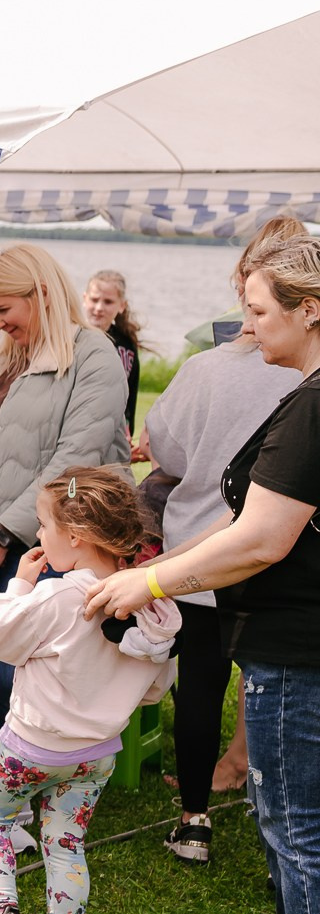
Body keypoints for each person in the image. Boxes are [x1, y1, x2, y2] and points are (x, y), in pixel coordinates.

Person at [86, 233, 320, 914]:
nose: (248, 328)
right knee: (284, 813)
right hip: (285, 633)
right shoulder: (305, 392)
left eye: (258, 312)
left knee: (295, 821)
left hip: (298, 640)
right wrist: (171, 562)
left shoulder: (316, 402)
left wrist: (149, 580)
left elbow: (261, 536)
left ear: (309, 311)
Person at [0, 468, 177, 914]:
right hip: (95, 755)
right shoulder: (153, 608)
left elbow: (1, 640)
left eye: (42, 525)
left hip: (28, 746)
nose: (38, 537)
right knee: (66, 843)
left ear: (76, 536)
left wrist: (19, 585)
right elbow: (154, 689)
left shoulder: (60, 596)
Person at [142, 215, 308, 861]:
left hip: (202, 553)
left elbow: (168, 449)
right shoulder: (298, 374)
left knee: (202, 683)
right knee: (267, 683)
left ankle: (194, 818)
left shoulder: (207, 369)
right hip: (277, 558)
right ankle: (262, 794)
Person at [0, 245, 131, 792]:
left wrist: (1, 534)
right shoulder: (0, 357)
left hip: (47, 546)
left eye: (3, 310)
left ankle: (19, 800)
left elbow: (75, 458)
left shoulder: (94, 355)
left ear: (41, 293)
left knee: (24, 676)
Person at [82, 269, 143, 432]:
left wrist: (128, 430)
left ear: (122, 306)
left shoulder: (127, 344)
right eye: (94, 300)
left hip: (114, 429)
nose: (99, 307)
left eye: (108, 302)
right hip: (79, 425)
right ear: (84, 299)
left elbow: (130, 393)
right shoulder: (72, 337)